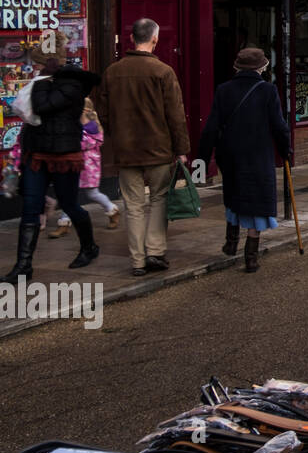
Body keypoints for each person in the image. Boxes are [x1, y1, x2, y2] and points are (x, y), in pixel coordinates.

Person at [100, 18, 190, 277]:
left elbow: (103, 114)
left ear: (131, 39)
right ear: (155, 39)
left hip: (126, 151)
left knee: (134, 205)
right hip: (159, 149)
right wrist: (181, 148)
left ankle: (138, 260)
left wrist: (114, 139)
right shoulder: (163, 72)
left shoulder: (112, 72)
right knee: (159, 199)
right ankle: (155, 251)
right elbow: (176, 115)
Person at [3, 50, 102, 283]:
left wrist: (40, 82)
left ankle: (89, 246)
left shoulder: (70, 87)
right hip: (37, 154)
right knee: (31, 206)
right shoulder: (48, 83)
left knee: (69, 203)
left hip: (64, 156)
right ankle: (23, 265)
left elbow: (41, 107)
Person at [196, 48, 291, 274]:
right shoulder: (268, 90)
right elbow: (279, 126)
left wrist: (201, 159)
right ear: (262, 67)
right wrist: (286, 150)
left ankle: (231, 241)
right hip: (258, 155)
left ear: (236, 67)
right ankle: (251, 258)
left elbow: (211, 127)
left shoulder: (224, 90)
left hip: (230, 155)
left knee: (234, 193)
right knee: (256, 201)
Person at [50, 99, 121, 238]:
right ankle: (64, 223)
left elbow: (83, 144)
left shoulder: (91, 127)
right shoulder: (73, 125)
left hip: (89, 168)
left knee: (92, 193)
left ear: (85, 111)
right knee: (69, 195)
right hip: (73, 165)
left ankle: (112, 210)